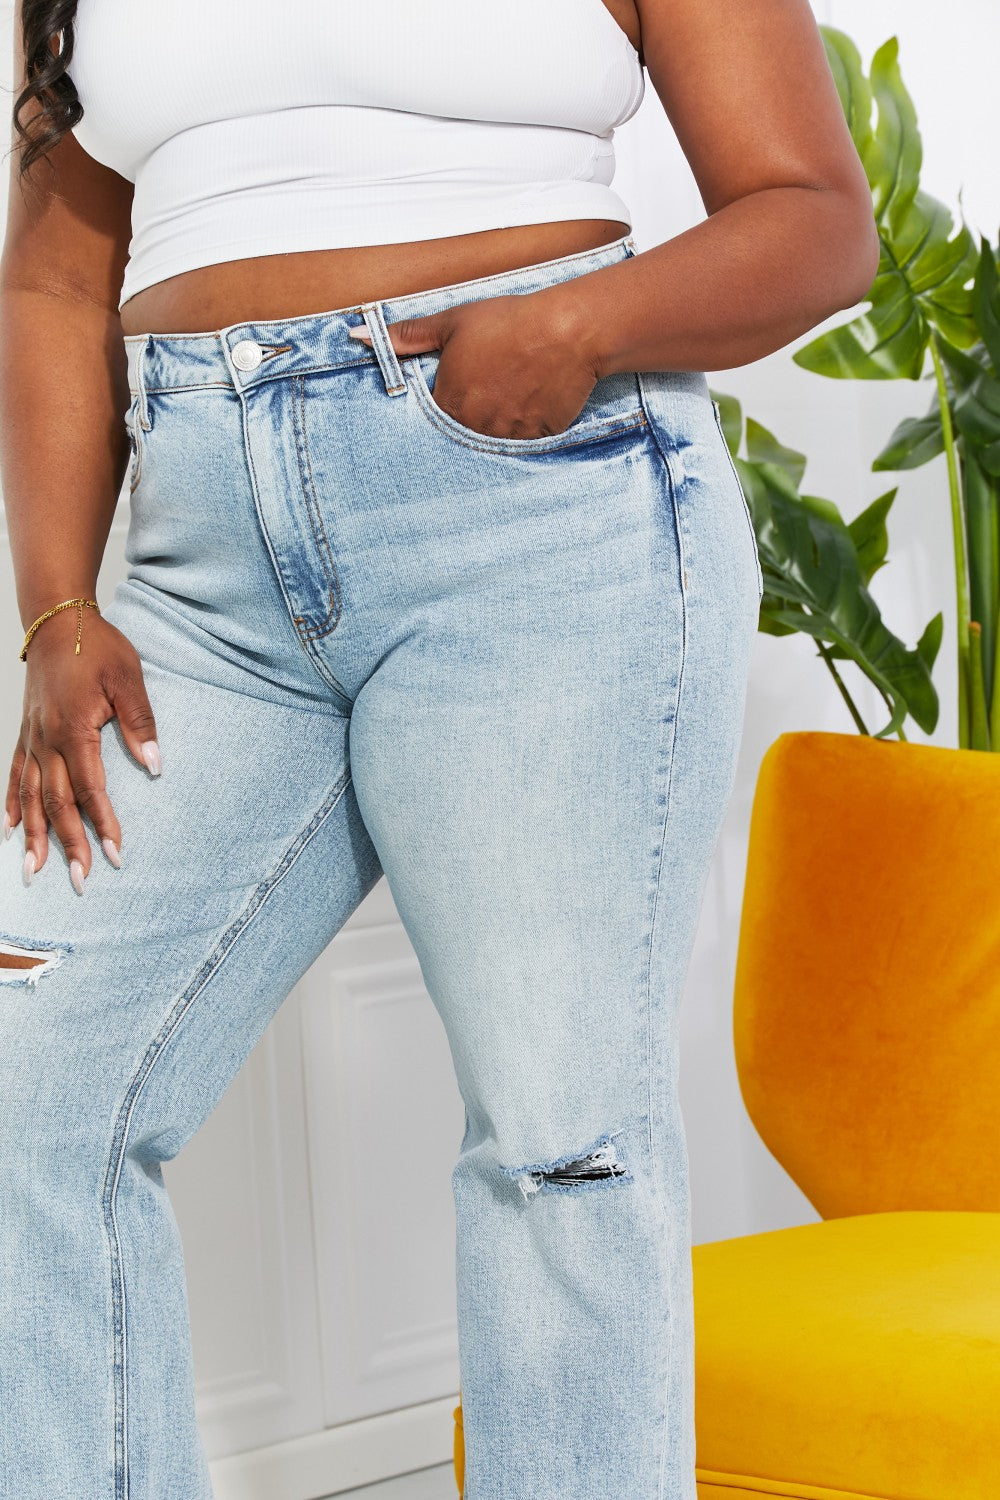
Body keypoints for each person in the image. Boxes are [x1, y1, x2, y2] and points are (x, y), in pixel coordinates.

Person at [0, 2, 878, 1496]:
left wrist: (574, 324)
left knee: (561, 1148)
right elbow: (57, 266)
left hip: (536, 510)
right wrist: (59, 605)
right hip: (203, 565)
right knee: (30, 1088)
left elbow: (814, 219)